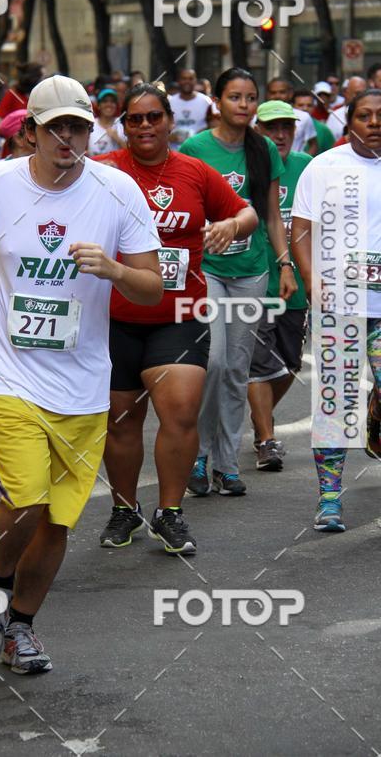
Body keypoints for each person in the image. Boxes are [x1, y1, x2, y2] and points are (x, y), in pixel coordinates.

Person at [0, 74, 162, 674]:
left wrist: (111, 268)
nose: (67, 137)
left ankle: (21, 629)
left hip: (82, 383)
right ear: (29, 131)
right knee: (25, 496)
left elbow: (154, 282)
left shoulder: (118, 190)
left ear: (90, 129)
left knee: (57, 520)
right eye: (54, 126)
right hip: (8, 373)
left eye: (78, 126)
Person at [96, 83, 256, 553]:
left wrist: (230, 223)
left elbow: (245, 213)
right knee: (122, 422)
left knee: (181, 412)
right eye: (134, 119)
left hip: (180, 313)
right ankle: (125, 508)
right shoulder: (103, 172)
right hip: (115, 316)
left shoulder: (194, 171)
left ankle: (170, 512)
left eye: (153, 117)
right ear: (123, 126)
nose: (144, 126)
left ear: (169, 121)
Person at [183, 68, 297, 495]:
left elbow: (271, 215)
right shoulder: (196, 147)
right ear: (216, 100)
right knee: (211, 364)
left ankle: (225, 464)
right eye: (235, 97)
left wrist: (285, 265)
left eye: (251, 97)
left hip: (252, 272)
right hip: (207, 270)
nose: (245, 105)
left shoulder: (264, 148)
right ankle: (197, 453)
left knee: (235, 368)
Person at [292, 88, 381, 532]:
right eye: (364, 115)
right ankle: (330, 498)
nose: (374, 122)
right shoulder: (323, 166)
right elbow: (301, 230)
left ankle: (375, 414)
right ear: (349, 122)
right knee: (335, 401)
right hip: (338, 302)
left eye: (380, 115)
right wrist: (312, 282)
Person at [247, 101, 311, 470]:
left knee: (288, 364)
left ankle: (261, 417)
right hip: (256, 279)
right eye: (273, 128)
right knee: (259, 364)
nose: (281, 134)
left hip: (297, 283)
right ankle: (265, 438)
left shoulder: (307, 166)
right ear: (259, 130)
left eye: (287, 126)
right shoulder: (248, 166)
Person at [265, 78, 317, 155]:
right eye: (273, 92)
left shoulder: (303, 117)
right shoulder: (258, 118)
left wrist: (304, 162)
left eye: (282, 92)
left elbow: (313, 144)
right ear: (267, 94)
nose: (277, 96)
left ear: (290, 94)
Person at [168, 69, 210, 145]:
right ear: (178, 81)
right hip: (175, 150)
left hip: (198, 149)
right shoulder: (170, 102)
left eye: (190, 79)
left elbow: (213, 125)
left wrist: (196, 136)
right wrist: (169, 137)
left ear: (195, 81)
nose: (187, 82)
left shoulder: (206, 101)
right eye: (184, 79)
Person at [292, 88, 335, 155]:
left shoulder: (323, 130)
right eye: (300, 105)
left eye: (309, 105)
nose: (305, 108)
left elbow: (332, 154)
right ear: (293, 106)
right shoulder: (285, 127)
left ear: (314, 107)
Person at [86, 89, 126, 157]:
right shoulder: (90, 124)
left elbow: (131, 152)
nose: (109, 104)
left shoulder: (122, 124)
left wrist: (117, 139)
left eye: (112, 101)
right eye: (105, 101)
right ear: (98, 106)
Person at [326, 76, 367, 140]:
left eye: (364, 93)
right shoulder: (335, 116)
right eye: (357, 93)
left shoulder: (374, 116)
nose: (361, 97)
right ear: (347, 93)